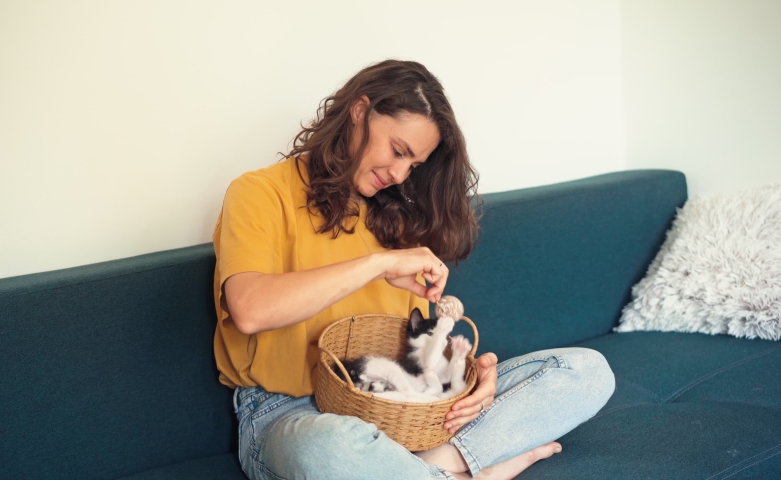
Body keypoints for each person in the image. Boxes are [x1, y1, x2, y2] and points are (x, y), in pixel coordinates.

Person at [212, 60, 615, 480]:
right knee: (330, 448)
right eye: (398, 151)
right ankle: (469, 469)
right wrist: (377, 264)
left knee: (586, 372)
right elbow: (249, 309)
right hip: (289, 414)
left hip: (399, 412)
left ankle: (431, 469)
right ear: (359, 111)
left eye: (414, 165)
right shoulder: (258, 193)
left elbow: (414, 361)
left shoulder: (397, 221)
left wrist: (470, 381)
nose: (400, 174)